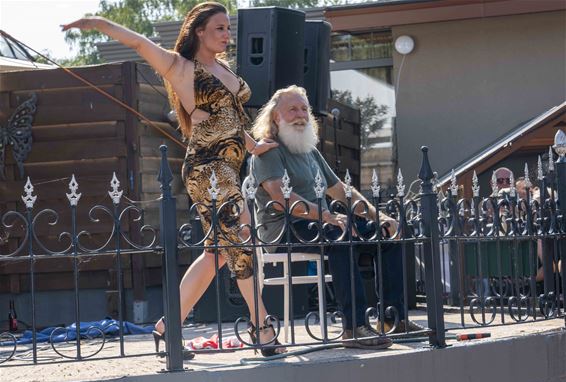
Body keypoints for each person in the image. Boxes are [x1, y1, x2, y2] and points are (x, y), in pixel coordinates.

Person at [62, 2, 284, 358]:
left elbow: (231, 116)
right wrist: (97, 22)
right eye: (219, 29)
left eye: (228, 28)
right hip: (207, 169)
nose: (227, 35)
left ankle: (168, 329)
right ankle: (262, 329)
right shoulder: (180, 68)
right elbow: (138, 44)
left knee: (216, 256)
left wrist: (253, 145)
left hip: (229, 168)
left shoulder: (224, 69)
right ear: (199, 31)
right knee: (241, 243)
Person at [249, 85, 422, 349]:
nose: (300, 114)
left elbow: (342, 191)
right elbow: (281, 200)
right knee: (339, 235)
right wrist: (327, 216)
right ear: (276, 117)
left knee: (386, 235)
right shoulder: (269, 151)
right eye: (292, 109)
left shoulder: (310, 151)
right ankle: (354, 327)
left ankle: (391, 319)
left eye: (304, 109)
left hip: (320, 222)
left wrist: (380, 217)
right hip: (283, 229)